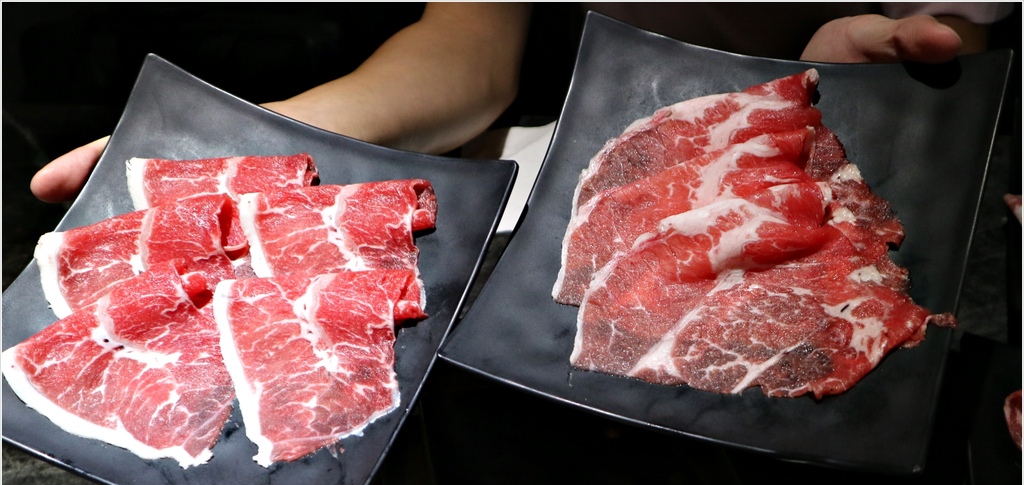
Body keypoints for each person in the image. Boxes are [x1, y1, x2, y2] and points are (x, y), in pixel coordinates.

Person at [29, 2, 1012, 204]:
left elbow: (951, 40)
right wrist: (277, 138)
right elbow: (468, 50)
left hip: (820, 169)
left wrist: (881, 83)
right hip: (566, 184)